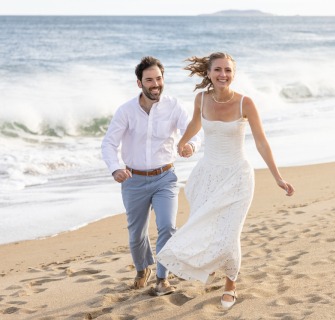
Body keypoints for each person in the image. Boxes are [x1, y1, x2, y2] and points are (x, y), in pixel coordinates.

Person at [157, 52, 295, 309]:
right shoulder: (201, 99)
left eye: (228, 70)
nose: (223, 75)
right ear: (208, 73)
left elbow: (262, 142)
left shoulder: (246, 103)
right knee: (207, 227)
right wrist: (183, 142)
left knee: (230, 234)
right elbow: (196, 124)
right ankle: (208, 267)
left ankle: (231, 283)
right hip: (207, 175)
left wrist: (277, 176)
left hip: (237, 176)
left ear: (234, 74)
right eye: (218, 70)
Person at [101, 56, 201, 296]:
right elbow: (109, 143)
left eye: (158, 78)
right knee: (137, 235)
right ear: (139, 83)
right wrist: (115, 168)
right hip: (133, 180)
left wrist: (190, 145)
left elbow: (194, 131)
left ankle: (162, 278)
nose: (155, 84)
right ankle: (142, 268)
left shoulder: (174, 105)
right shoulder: (126, 111)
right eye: (149, 80)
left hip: (165, 177)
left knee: (167, 226)